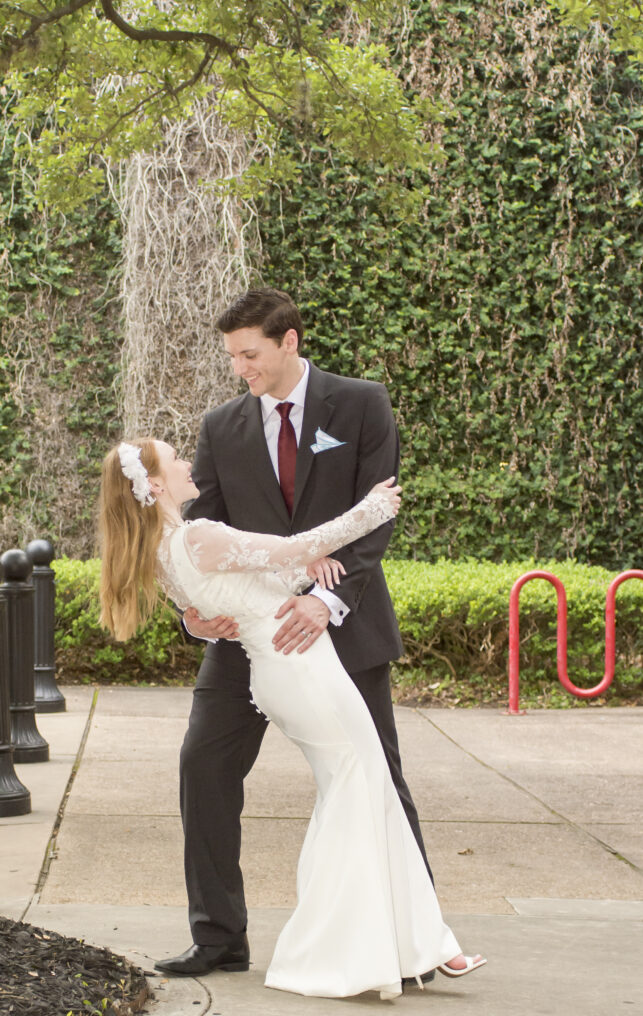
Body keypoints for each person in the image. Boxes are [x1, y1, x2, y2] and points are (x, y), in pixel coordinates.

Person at [98, 438, 485, 999]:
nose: (187, 461)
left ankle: (422, 944)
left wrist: (299, 568)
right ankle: (344, 947)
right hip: (302, 670)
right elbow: (300, 542)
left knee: (360, 786)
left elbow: (236, 594)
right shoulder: (200, 537)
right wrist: (374, 507)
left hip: (284, 668)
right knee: (358, 785)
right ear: (153, 484)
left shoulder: (163, 549)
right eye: (174, 457)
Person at [160, 289, 433, 981]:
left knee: (378, 776)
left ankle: (413, 945)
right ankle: (218, 937)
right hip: (246, 640)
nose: (239, 370)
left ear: (289, 341)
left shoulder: (361, 403)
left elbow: (376, 513)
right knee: (203, 767)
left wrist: (326, 601)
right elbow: (201, 534)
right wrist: (194, 616)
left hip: (342, 625)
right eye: (231, 357)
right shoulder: (222, 426)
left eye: (248, 355)